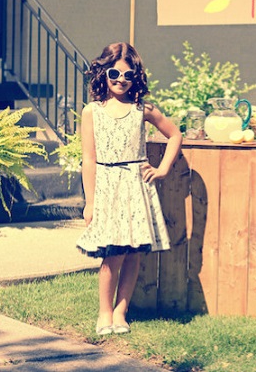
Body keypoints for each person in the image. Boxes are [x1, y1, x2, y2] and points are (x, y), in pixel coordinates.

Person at [76, 42, 182, 336]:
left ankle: (121, 312)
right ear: (103, 73)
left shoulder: (143, 110)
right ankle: (104, 313)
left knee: (133, 252)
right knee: (112, 253)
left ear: (136, 77)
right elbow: (89, 158)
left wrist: (162, 170)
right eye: (114, 73)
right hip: (108, 187)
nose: (120, 79)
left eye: (128, 75)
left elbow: (174, 134)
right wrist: (90, 202)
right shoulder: (92, 112)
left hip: (136, 186)